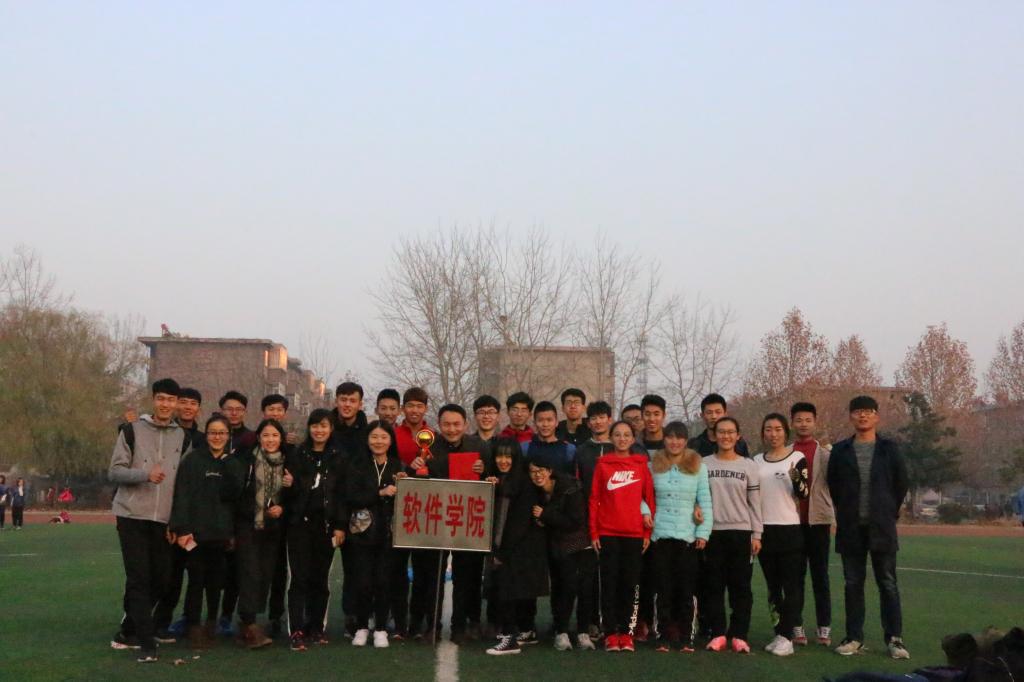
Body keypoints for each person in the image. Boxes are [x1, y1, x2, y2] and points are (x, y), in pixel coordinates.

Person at [109, 378, 189, 663]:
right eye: (161, 398)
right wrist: (144, 475)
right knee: (139, 578)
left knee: (162, 580)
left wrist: (176, 523)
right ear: (154, 400)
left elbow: (183, 484)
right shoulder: (132, 431)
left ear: (177, 404)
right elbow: (115, 471)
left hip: (163, 520)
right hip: (131, 515)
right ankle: (146, 644)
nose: (166, 404)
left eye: (171, 400)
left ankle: (129, 630)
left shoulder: (183, 437)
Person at [827, 395, 910, 660]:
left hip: (881, 527)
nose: (863, 415)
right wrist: (845, 509)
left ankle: (895, 639)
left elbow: (901, 483)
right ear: (851, 416)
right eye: (858, 411)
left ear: (876, 416)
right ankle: (854, 637)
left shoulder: (889, 449)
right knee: (853, 583)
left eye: (868, 411)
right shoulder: (840, 451)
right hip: (851, 526)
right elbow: (834, 485)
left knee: (888, 583)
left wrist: (887, 509)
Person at [409, 404, 490, 642]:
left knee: (466, 577)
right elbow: (416, 483)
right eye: (446, 424)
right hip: (435, 521)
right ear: (439, 424)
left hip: (466, 522)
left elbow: (491, 480)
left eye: (456, 424)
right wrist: (413, 468)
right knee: (432, 576)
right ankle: (432, 625)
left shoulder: (479, 447)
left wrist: (484, 470)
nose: (452, 429)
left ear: (466, 424)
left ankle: (459, 627)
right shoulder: (428, 447)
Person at [169, 415, 239, 649]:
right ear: (206, 435)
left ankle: (211, 622)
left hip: (220, 534)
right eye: (213, 432)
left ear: (228, 436)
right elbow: (182, 495)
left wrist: (227, 463)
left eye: (222, 433)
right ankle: (193, 625)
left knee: (216, 581)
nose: (217, 437)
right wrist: (182, 528)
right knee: (196, 580)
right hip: (195, 534)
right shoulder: (192, 461)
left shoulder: (233, 462)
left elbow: (235, 494)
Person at [590, 421, 655, 653]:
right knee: (609, 585)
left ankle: (627, 633)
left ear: (633, 439)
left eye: (627, 435)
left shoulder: (641, 465)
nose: (622, 438)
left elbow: (649, 499)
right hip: (608, 533)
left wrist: (647, 532)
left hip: (634, 534)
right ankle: (610, 633)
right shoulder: (602, 465)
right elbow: (594, 499)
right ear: (611, 438)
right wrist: (594, 532)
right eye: (617, 434)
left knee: (630, 585)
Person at [284, 408, 344, 651]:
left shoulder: (338, 457)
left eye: (324, 426)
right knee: (299, 578)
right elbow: (289, 492)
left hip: (326, 526)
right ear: (309, 428)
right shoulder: (298, 454)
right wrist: (290, 485)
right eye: (315, 425)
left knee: (320, 579)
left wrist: (340, 526)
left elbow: (341, 496)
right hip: (300, 525)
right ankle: (297, 629)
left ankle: (316, 626)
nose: (319, 430)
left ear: (331, 429)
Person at [650, 421, 711, 653]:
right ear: (664, 439)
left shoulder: (698, 466)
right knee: (663, 589)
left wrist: (703, 532)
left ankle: (686, 636)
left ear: (686, 441)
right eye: (670, 437)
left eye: (679, 438)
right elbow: (645, 497)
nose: (674, 442)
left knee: (686, 590)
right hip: (660, 535)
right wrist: (646, 513)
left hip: (688, 537)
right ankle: (662, 636)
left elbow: (705, 501)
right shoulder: (652, 465)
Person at [704, 417, 762, 654]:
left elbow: (755, 502)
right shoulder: (704, 464)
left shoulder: (748, 465)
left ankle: (739, 635)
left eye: (730, 432)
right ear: (714, 435)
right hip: (712, 533)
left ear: (738, 436)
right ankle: (718, 633)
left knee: (741, 587)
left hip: (741, 533)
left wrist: (757, 534)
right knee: (713, 586)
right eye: (721, 432)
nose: (726, 436)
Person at [485, 439, 548, 656]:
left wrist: (502, 551)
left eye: (508, 456)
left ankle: (510, 638)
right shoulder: (500, 480)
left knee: (508, 592)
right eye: (499, 456)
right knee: (510, 592)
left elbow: (519, 523)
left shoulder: (522, 482)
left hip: (519, 548)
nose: (503, 461)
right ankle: (522, 632)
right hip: (510, 546)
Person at [230, 418, 289, 649]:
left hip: (273, 529)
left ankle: (250, 622)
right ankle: (248, 623)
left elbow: (294, 496)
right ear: (258, 438)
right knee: (250, 573)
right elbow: (237, 494)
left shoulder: (287, 462)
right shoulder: (247, 460)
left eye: (275, 435)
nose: (270, 440)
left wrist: (282, 506)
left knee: (265, 575)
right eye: (266, 435)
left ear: (281, 438)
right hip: (248, 525)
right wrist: (259, 509)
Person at [346, 420, 405, 648]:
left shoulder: (398, 466)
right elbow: (352, 496)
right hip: (361, 533)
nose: (378, 442)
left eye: (383, 437)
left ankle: (380, 628)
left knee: (383, 582)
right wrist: (380, 493)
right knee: (362, 582)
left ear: (391, 441)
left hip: (389, 534)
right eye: (374, 437)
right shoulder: (357, 464)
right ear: (367, 440)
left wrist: (404, 483)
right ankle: (362, 626)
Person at [754, 413, 809, 657]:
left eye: (777, 429)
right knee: (773, 587)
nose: (773, 434)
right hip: (765, 530)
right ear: (763, 433)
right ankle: (778, 633)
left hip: (789, 529)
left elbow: (803, 493)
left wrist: (795, 477)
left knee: (791, 586)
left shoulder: (797, 458)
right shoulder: (756, 461)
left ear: (785, 432)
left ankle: (788, 636)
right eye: (768, 429)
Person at [529, 452, 593, 652]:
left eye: (541, 470)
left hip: (580, 544)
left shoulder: (570, 488)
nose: (537, 475)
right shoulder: (535, 492)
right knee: (561, 588)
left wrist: (545, 515)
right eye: (533, 472)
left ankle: (583, 632)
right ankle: (561, 631)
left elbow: (575, 521)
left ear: (550, 471)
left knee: (582, 588)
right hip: (557, 546)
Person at [790, 401, 835, 647]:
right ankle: (796, 626)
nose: (803, 424)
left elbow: (836, 484)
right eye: (799, 420)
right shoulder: (786, 452)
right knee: (795, 577)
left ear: (815, 422)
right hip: (792, 523)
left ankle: (824, 627)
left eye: (808, 420)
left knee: (820, 576)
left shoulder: (826, 454)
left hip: (818, 522)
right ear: (792, 423)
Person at [390, 386, 431, 638]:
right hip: (398, 510)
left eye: (420, 406)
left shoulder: (433, 435)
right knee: (397, 570)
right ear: (403, 408)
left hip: (425, 512)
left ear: (425, 408)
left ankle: (417, 622)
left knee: (423, 570)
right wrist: (406, 467)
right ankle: (399, 621)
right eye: (410, 405)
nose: (415, 410)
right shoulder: (392, 434)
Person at [573, 400, 615, 642]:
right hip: (588, 521)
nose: (598, 422)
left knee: (611, 574)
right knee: (588, 574)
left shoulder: (620, 447)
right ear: (588, 423)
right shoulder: (581, 451)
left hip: (616, 520)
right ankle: (589, 622)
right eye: (594, 418)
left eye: (602, 417)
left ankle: (612, 623)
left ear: (610, 419)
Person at [636, 394, 667, 640]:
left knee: (663, 572)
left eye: (656, 414)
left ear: (663, 416)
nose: (652, 419)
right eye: (647, 414)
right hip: (639, 518)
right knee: (641, 573)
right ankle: (641, 621)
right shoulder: (634, 446)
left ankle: (665, 621)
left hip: (667, 518)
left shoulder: (673, 445)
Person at [689, 394, 751, 458]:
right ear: (702, 416)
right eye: (709, 413)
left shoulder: (739, 443)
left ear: (725, 414)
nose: (714, 416)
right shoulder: (694, 446)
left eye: (718, 412)